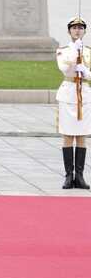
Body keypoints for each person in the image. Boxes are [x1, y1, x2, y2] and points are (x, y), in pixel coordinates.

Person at [56, 16, 90, 189]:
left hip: (84, 94)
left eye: (80, 28)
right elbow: (64, 68)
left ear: (84, 31)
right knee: (68, 135)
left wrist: (85, 71)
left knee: (82, 135)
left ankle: (80, 176)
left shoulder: (89, 51)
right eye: (74, 28)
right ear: (69, 31)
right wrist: (74, 55)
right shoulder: (63, 50)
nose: (77, 30)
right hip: (69, 94)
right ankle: (69, 176)